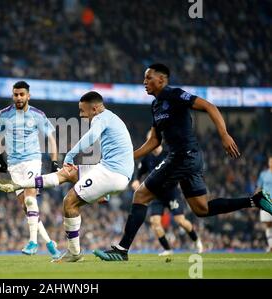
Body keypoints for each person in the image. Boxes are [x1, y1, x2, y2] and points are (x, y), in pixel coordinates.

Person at [93, 63, 272, 262]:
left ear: (161, 80)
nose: (144, 82)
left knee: (141, 195)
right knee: (201, 209)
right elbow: (154, 140)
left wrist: (224, 135)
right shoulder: (156, 105)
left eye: (148, 78)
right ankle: (254, 201)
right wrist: (129, 156)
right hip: (188, 158)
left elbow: (209, 106)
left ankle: (122, 249)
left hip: (182, 156)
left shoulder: (174, 94)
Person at [0, 91, 134, 262]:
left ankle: (74, 253)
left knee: (69, 202)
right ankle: (20, 184)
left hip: (112, 172)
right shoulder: (111, 118)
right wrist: (18, 186)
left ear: (95, 108)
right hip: (116, 171)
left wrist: (70, 154)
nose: (81, 115)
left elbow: (91, 137)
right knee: (67, 173)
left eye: (83, 111)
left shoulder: (101, 117)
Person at [0, 81, 61, 258]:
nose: (19, 98)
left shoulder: (38, 115)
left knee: (30, 200)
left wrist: (54, 162)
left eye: (22, 94)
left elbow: (51, 138)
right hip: (14, 165)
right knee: (27, 208)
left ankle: (33, 243)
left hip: (32, 161)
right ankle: (50, 243)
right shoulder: (3, 114)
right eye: (16, 94)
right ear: (12, 95)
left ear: (28, 96)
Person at [132, 130, 203, 256]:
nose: (149, 142)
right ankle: (168, 249)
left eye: (151, 139)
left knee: (180, 221)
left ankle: (196, 239)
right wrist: (136, 181)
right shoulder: (147, 158)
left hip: (171, 193)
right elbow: (139, 172)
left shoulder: (168, 155)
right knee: (155, 222)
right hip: (156, 195)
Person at [257, 155, 272, 252]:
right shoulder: (263, 174)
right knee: (268, 224)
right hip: (266, 201)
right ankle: (271, 246)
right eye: (271, 161)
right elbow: (259, 187)